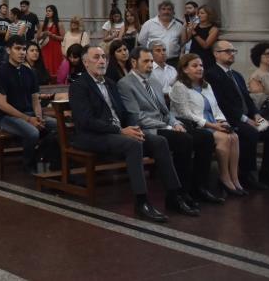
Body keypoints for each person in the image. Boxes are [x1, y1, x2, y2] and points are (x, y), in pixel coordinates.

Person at [68, 46, 187, 222]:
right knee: (133, 144)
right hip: (92, 136)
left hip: (117, 132)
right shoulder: (79, 86)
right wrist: (120, 130)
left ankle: (174, 196)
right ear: (85, 62)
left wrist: (134, 127)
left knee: (159, 141)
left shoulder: (110, 83)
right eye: (96, 57)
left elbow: (125, 113)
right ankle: (141, 202)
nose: (102, 61)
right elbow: (85, 120)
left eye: (103, 57)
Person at [118, 47, 219, 209]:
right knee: (184, 140)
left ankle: (200, 187)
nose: (150, 65)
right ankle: (181, 193)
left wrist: (175, 123)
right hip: (148, 128)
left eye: (151, 61)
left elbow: (166, 111)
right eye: (146, 61)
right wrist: (168, 126)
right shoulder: (125, 84)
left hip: (166, 125)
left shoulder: (154, 82)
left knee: (205, 137)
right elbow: (137, 117)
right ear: (134, 62)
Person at [204, 40, 269, 190]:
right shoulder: (212, 74)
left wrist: (256, 115)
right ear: (216, 54)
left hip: (249, 116)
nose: (232, 54)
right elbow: (221, 103)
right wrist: (246, 120)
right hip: (231, 119)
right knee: (250, 133)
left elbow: (248, 99)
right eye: (228, 51)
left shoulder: (236, 75)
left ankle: (267, 172)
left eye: (233, 51)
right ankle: (247, 174)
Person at [170, 54, 244, 197]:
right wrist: (213, 126)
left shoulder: (206, 85)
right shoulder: (180, 87)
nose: (200, 68)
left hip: (213, 122)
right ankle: (224, 177)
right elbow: (185, 114)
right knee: (225, 138)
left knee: (234, 137)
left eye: (201, 65)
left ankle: (234, 178)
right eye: (195, 66)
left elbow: (216, 107)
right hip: (196, 125)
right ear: (185, 69)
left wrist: (223, 122)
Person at [0, 36, 56, 173]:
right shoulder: (0, 72)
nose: (22, 52)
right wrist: (28, 119)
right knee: (33, 133)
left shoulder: (30, 72)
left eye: (23, 49)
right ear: (8, 50)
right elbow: (2, 105)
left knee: (58, 126)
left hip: (30, 114)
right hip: (7, 117)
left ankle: (41, 159)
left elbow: (35, 99)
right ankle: (28, 165)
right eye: (17, 49)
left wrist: (38, 117)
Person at [188, 5, 220, 69]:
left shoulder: (214, 29)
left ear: (209, 15)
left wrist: (194, 33)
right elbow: (186, 40)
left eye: (202, 13)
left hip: (206, 57)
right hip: (193, 55)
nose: (199, 15)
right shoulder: (195, 25)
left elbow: (206, 46)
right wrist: (185, 27)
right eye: (198, 13)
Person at [38, 4, 64, 77]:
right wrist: (43, 33)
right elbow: (38, 37)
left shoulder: (59, 24)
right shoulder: (43, 24)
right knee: (46, 64)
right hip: (45, 47)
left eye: (50, 11)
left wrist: (52, 35)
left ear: (54, 12)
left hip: (55, 48)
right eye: (47, 11)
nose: (47, 12)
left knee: (56, 64)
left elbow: (63, 38)